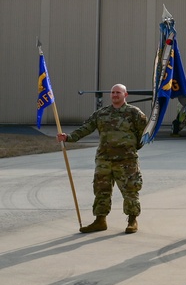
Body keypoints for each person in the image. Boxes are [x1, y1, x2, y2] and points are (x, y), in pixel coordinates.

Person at [58, 84, 146, 234]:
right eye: (113, 92)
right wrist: (68, 137)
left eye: (118, 92)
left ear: (125, 95)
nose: (115, 95)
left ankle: (132, 220)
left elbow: (144, 133)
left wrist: (132, 148)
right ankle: (100, 220)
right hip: (104, 160)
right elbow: (86, 128)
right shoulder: (101, 113)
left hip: (126, 160)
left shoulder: (134, 113)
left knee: (130, 190)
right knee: (101, 190)